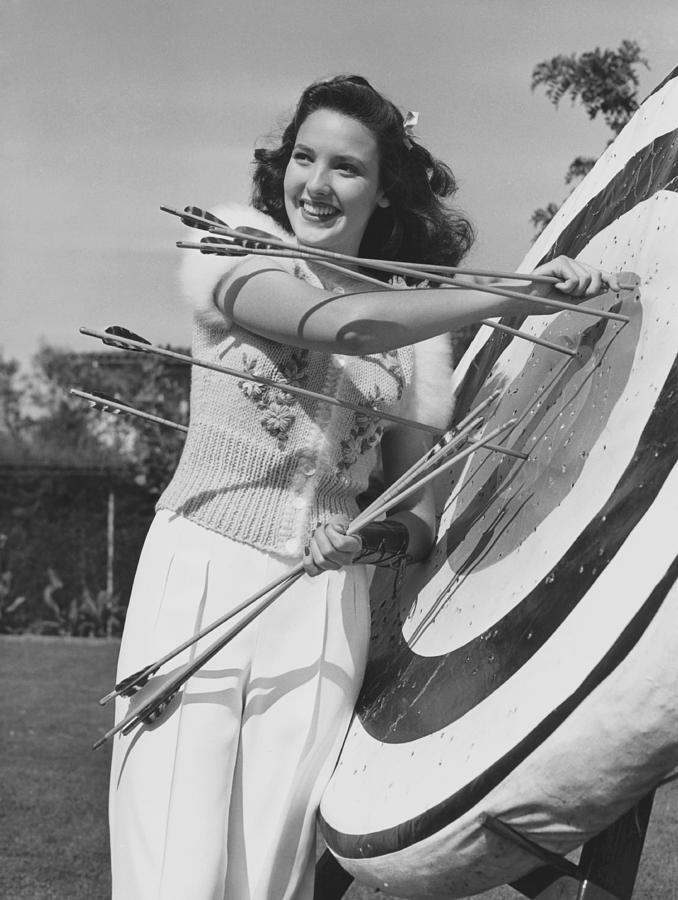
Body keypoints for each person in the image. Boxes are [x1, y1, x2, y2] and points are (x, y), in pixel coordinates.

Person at [108, 74, 617, 900]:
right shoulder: (230, 245)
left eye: (346, 167)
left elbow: (418, 509)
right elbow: (343, 326)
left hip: (322, 607)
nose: (315, 184)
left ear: (383, 191)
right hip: (201, 577)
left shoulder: (419, 334)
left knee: (272, 871)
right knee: (175, 860)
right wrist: (514, 294)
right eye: (302, 157)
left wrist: (369, 540)